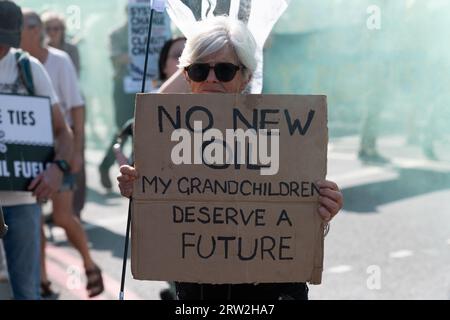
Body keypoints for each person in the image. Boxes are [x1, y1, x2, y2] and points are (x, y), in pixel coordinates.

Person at [117, 16, 343, 300]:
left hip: (274, 292)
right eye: (199, 71)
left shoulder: (281, 130)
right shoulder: (167, 135)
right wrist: (138, 191)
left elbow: (292, 216)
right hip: (199, 292)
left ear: (246, 76)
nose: (211, 78)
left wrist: (320, 210)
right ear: (186, 76)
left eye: (224, 70)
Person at [20, 9, 104, 299]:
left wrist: (77, 150)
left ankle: (90, 265)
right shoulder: (13, 63)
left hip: (61, 147)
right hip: (28, 153)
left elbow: (77, 107)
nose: (31, 30)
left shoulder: (59, 61)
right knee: (33, 219)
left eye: (34, 25)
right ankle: (42, 278)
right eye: (25, 25)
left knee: (63, 216)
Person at [0, 0, 73, 300]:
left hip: (23, 199)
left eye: (5, 40)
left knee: (27, 293)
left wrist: (58, 169)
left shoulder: (28, 68)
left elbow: (63, 133)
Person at [42, 11, 86, 216]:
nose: (53, 32)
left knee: (76, 160)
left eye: (56, 28)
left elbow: (74, 92)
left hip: (69, 113)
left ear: (62, 31)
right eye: (48, 28)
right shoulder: (33, 56)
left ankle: (75, 208)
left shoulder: (67, 54)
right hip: (46, 126)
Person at [98, 18, 135, 190]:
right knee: (123, 128)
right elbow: (115, 57)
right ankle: (106, 165)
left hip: (150, 86)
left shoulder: (157, 31)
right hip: (123, 87)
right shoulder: (117, 33)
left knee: (143, 128)